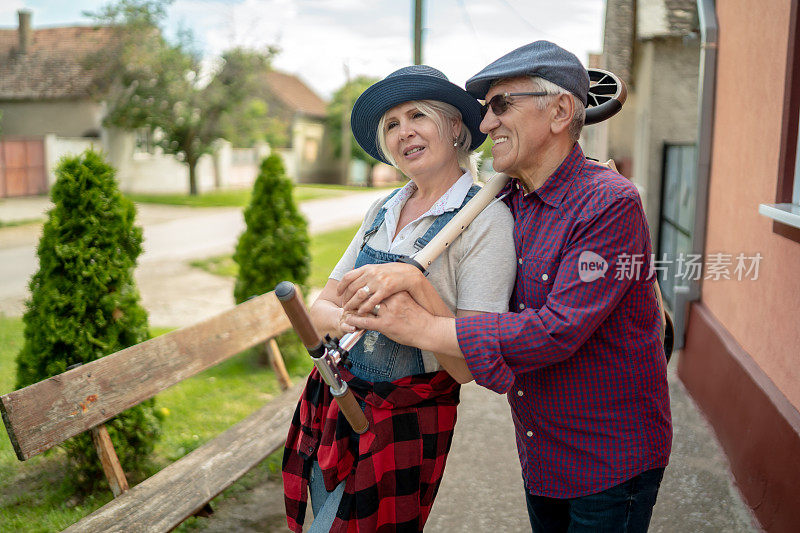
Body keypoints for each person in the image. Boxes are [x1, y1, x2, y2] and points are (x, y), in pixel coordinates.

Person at [341, 41, 672, 532]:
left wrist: (422, 327)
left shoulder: (608, 201)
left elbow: (555, 331)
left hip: (608, 456)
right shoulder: (512, 199)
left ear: (561, 110)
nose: (488, 123)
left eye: (501, 106)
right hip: (542, 447)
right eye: (485, 110)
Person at [281, 65, 517, 533]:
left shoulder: (488, 222)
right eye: (391, 124)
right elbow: (321, 307)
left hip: (405, 422)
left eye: (418, 116)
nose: (403, 131)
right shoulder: (382, 208)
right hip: (337, 402)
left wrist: (414, 288)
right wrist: (359, 317)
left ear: (455, 128)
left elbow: (469, 367)